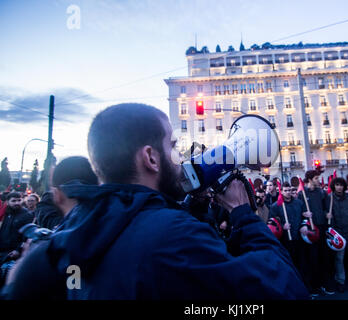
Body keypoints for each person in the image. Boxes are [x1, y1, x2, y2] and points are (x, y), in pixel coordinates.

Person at [4, 103, 308, 300]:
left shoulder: (75, 227)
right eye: (172, 146)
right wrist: (244, 215)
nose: (179, 157)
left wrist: (194, 206)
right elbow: (285, 289)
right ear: (150, 157)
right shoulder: (175, 235)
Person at [301, 170, 335, 297]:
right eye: (316, 178)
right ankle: (314, 286)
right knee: (312, 259)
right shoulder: (302, 194)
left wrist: (327, 213)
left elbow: (326, 207)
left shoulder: (322, 193)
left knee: (325, 258)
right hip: (311, 230)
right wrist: (303, 214)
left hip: (322, 227)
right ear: (309, 179)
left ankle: (325, 284)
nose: (318, 180)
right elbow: (299, 210)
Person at [269, 182, 308, 278]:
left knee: (302, 263)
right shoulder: (275, 206)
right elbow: (271, 222)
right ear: (281, 192)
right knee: (288, 264)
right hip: (285, 240)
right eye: (285, 190)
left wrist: (304, 225)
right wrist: (282, 226)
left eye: (289, 190)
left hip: (299, 237)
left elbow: (305, 216)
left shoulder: (299, 203)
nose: (288, 192)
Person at [0, 192, 33, 285]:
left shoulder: (26, 214)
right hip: (3, 251)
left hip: (14, 253)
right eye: (13, 201)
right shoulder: (5, 214)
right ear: (7, 202)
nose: (17, 203)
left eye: (19, 200)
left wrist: (18, 250)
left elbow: (27, 235)